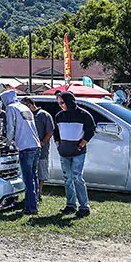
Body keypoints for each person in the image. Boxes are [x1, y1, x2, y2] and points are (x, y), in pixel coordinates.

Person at [0, 90, 43, 215]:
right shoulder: (24, 107)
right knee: (34, 176)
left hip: (25, 146)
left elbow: (11, 127)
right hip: (36, 145)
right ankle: (34, 202)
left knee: (28, 178)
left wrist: (7, 143)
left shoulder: (10, 108)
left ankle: (31, 207)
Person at [54, 90, 95, 218]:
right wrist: (58, 145)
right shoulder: (59, 116)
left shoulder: (84, 115)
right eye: (59, 103)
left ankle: (84, 207)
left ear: (69, 101)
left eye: (62, 102)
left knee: (77, 177)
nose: (60, 105)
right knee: (67, 179)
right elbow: (56, 132)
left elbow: (90, 131)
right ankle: (71, 205)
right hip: (64, 152)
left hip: (78, 152)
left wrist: (80, 145)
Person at [24, 98, 54, 196]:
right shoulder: (25, 115)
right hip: (28, 148)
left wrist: (43, 142)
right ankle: (31, 193)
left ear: (30, 104)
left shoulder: (44, 115)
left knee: (41, 171)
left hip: (41, 149)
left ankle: (39, 193)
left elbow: (50, 132)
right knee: (30, 171)